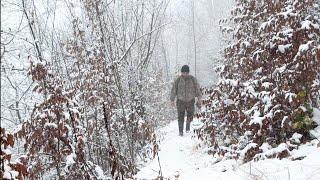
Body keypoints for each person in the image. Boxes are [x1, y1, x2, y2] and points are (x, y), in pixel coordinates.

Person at [170, 65, 202, 136]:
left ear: (188, 72)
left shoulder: (193, 79)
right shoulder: (178, 80)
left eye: (186, 72)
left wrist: (199, 99)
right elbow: (174, 90)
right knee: (180, 116)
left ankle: (187, 128)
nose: (185, 74)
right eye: (183, 72)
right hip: (180, 101)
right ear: (181, 72)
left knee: (190, 115)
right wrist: (172, 100)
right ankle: (180, 131)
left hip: (190, 100)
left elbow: (197, 89)